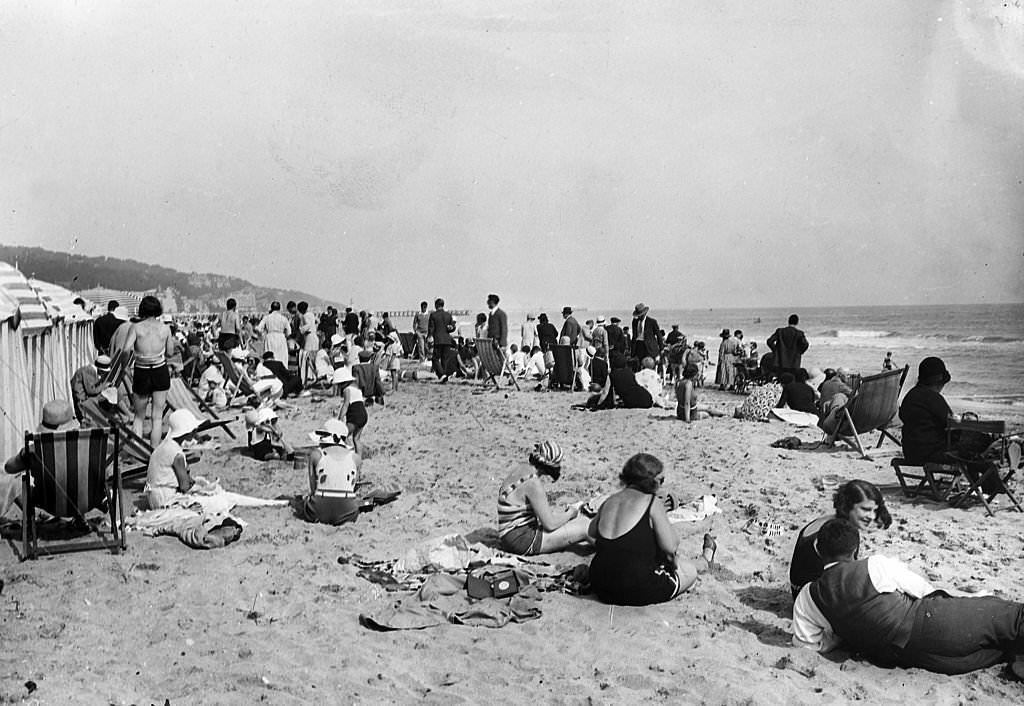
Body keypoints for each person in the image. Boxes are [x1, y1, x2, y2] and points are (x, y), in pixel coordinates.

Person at [792, 518, 1024, 678]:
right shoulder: (875, 565)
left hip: (912, 657)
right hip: (933, 626)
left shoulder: (808, 596)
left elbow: (807, 644)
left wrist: (841, 637)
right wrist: (973, 599)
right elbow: (927, 592)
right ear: (855, 550)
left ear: (818, 549)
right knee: (1014, 617)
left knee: (1002, 651)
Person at [588, 453, 715, 606]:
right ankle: (705, 560)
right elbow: (671, 546)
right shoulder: (651, 503)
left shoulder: (610, 501)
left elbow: (592, 532)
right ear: (651, 481)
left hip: (601, 585)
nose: (662, 485)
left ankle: (704, 559)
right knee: (688, 571)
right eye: (661, 480)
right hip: (638, 587)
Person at [898, 356, 1000, 495]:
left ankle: (984, 485)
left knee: (969, 446)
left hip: (911, 451)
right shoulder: (932, 397)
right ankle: (993, 487)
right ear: (938, 381)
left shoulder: (911, 396)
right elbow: (953, 423)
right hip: (930, 453)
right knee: (975, 448)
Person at [789, 480, 892, 598]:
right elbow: (845, 576)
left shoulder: (829, 522)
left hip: (800, 590)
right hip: (811, 598)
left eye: (874, 510)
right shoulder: (841, 534)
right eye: (865, 509)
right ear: (848, 506)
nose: (872, 516)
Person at [497, 441, 592, 555]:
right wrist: (571, 513)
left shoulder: (521, 469)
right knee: (585, 527)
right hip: (522, 541)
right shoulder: (533, 483)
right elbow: (550, 525)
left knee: (573, 521)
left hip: (508, 535)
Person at [1, 401, 80, 524]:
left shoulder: (35, 451)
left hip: (49, 502)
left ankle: (33, 520)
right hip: (84, 500)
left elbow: (9, 468)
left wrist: (23, 456)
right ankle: (81, 520)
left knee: (16, 483)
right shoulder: (87, 448)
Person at [123, 296, 176, 448]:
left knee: (139, 416)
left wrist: (125, 366)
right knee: (157, 417)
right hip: (160, 370)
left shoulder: (136, 327)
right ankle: (154, 451)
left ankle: (137, 450)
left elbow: (126, 349)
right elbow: (170, 353)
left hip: (142, 370)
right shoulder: (165, 328)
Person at [300, 419, 361, 525]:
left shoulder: (316, 455)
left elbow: (313, 488)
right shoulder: (355, 458)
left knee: (305, 503)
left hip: (319, 510)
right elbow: (353, 486)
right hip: (347, 511)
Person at [145, 409, 202, 509]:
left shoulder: (165, 444)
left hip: (153, 495)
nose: (195, 435)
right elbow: (184, 486)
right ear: (186, 432)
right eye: (194, 431)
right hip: (164, 498)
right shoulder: (177, 454)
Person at [333, 367, 367, 454]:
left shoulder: (346, 390)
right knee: (356, 439)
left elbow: (346, 405)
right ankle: (358, 458)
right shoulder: (356, 389)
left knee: (343, 435)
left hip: (354, 416)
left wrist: (340, 419)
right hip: (363, 415)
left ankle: (350, 454)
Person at [70, 354, 111, 421]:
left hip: (85, 396)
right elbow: (91, 391)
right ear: (100, 370)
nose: (104, 374)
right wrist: (104, 386)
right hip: (82, 399)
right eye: (104, 372)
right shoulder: (89, 371)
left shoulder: (91, 370)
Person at [427, 298, 456, 382]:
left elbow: (431, 329)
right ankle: (444, 375)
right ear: (443, 305)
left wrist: (429, 337)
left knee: (435, 358)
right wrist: (452, 328)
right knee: (444, 359)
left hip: (438, 340)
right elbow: (451, 328)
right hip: (447, 340)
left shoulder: (433, 315)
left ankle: (442, 375)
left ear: (436, 305)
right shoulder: (448, 315)